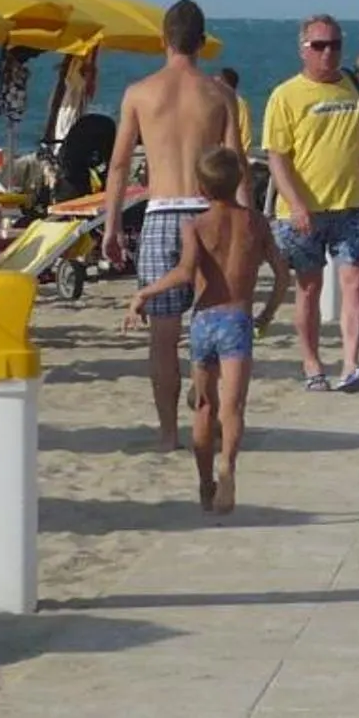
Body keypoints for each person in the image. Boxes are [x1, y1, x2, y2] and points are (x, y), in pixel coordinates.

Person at [103, 0, 240, 451]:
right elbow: (235, 166)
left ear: (163, 40)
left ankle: (167, 434)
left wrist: (110, 228)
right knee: (213, 328)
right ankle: (208, 416)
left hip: (161, 215)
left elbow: (120, 165)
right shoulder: (220, 95)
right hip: (208, 215)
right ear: (202, 42)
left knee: (163, 337)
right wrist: (246, 224)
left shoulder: (140, 93)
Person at [130, 144, 276, 514]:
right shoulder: (255, 223)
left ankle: (204, 480)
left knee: (204, 406)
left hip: (203, 321)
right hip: (237, 318)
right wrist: (268, 313)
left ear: (201, 189)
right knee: (232, 405)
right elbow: (283, 274)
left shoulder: (195, 225)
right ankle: (227, 467)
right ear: (241, 180)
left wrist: (145, 292)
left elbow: (184, 272)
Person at [261, 12, 359, 393]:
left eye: (335, 45)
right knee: (309, 287)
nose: (328, 53)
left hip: (351, 205)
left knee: (355, 281)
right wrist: (295, 203)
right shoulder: (286, 95)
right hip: (303, 211)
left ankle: (352, 364)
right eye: (319, 46)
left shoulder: (356, 89)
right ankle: (312, 363)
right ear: (303, 50)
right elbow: (277, 156)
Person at [217, 66, 254, 154]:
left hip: (230, 155)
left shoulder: (240, 104)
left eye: (219, 81)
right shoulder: (216, 101)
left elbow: (245, 135)